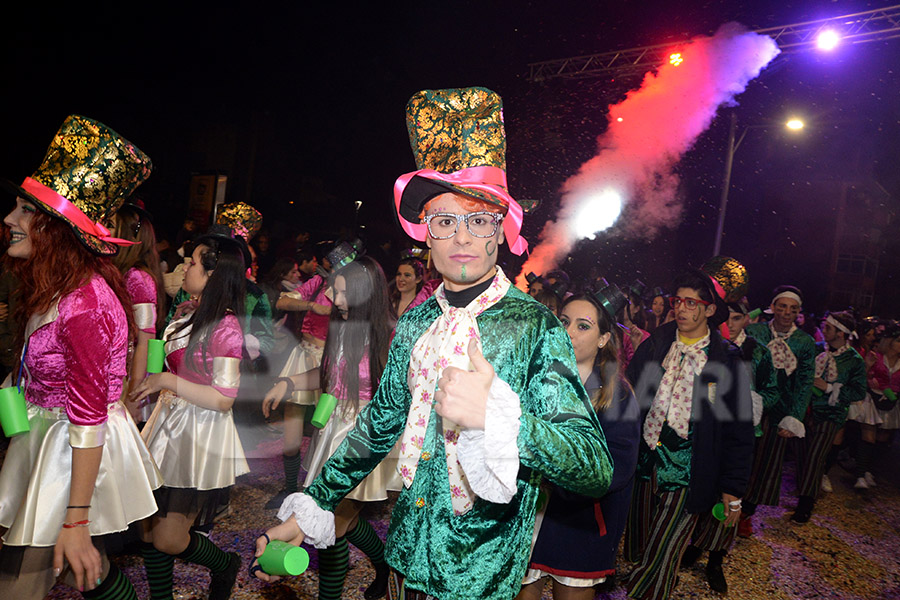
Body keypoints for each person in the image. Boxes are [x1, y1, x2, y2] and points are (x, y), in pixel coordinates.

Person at [252, 87, 612, 600]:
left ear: (500, 232)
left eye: (478, 220)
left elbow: (592, 465)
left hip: (478, 576)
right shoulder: (418, 320)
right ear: (426, 234)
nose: (462, 237)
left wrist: (500, 419)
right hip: (405, 556)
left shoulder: (535, 326)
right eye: (445, 222)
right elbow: (378, 425)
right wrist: (313, 504)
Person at [0, 114, 162, 599]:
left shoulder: (85, 303)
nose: (9, 220)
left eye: (25, 211)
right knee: (82, 571)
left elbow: (88, 416)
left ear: (55, 228)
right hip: (48, 438)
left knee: (18, 583)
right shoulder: (54, 288)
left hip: (72, 450)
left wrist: (76, 518)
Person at [262, 253, 393, 600]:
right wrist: (289, 382)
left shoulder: (389, 337)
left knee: (331, 525)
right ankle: (384, 564)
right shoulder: (342, 326)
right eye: (334, 291)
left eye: (343, 293)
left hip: (363, 436)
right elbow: (326, 378)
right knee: (340, 517)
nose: (333, 300)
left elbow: (395, 401)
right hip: (331, 429)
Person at [132, 225, 248, 600]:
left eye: (193, 262)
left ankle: (224, 564)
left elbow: (223, 399)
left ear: (213, 274)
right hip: (168, 423)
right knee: (149, 529)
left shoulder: (226, 327)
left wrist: (166, 380)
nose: (185, 267)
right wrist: (149, 383)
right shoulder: (187, 312)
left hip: (198, 433)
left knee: (169, 537)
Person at [623, 269, 754, 600]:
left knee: (666, 544)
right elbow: (629, 396)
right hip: (645, 457)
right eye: (677, 301)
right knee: (640, 542)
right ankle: (652, 579)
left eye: (692, 303)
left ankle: (649, 591)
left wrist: (732, 487)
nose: (681, 309)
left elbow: (738, 429)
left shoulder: (725, 361)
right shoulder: (658, 344)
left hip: (690, 467)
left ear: (710, 310)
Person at [518, 285, 639, 599]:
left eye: (582, 326)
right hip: (529, 517)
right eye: (563, 321)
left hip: (580, 522)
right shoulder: (533, 380)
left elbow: (618, 469)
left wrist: (556, 476)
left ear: (603, 339)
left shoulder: (617, 396)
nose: (568, 331)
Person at [680, 296, 778, 594]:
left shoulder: (758, 353)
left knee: (730, 492)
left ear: (746, 319)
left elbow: (773, 390)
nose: (729, 325)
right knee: (706, 488)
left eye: (736, 319)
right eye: (726, 319)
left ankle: (716, 559)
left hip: (746, 432)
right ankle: (697, 545)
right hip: (712, 429)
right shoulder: (710, 350)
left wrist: (756, 404)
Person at [739, 286, 816, 536]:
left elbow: (805, 382)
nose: (787, 312)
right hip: (751, 403)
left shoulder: (805, 342)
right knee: (741, 457)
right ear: (773, 306)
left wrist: (794, 415)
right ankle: (726, 505)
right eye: (782, 306)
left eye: (793, 309)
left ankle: (745, 513)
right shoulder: (755, 331)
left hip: (780, 410)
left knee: (766, 464)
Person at [262, 245, 335, 509]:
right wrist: (313, 306)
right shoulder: (317, 283)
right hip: (303, 356)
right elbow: (281, 301)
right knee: (291, 437)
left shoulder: (353, 290)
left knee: (326, 431)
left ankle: (321, 492)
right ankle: (290, 489)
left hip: (331, 362)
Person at [791, 311, 866, 522]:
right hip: (806, 411)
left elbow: (858, 392)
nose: (823, 331)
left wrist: (829, 388)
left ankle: (805, 505)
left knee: (815, 458)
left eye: (829, 328)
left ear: (841, 333)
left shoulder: (854, 360)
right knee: (803, 457)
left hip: (831, 415)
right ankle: (805, 492)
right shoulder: (816, 349)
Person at [111, 198, 166, 423]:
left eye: (111, 224)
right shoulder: (122, 272)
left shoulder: (137, 277)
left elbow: (145, 339)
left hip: (127, 380)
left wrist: (134, 395)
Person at [852, 321, 900, 489]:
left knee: (883, 439)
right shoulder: (876, 356)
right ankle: (859, 475)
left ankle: (869, 470)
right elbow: (861, 376)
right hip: (871, 399)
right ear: (890, 342)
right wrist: (867, 369)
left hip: (890, 402)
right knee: (868, 437)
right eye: (899, 341)